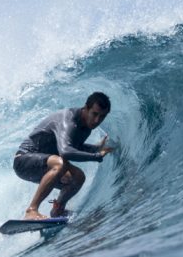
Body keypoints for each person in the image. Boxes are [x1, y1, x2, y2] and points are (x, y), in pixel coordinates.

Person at [13, 92, 114, 220]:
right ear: (86, 108)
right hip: (23, 160)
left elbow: (74, 147)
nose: (97, 120)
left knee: (78, 177)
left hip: (43, 164)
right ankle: (31, 211)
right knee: (61, 163)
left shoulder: (85, 126)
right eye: (94, 114)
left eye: (102, 116)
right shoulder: (69, 120)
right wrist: (96, 156)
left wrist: (96, 147)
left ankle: (58, 210)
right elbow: (65, 151)